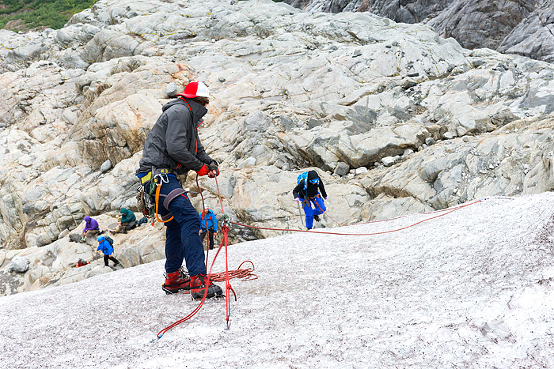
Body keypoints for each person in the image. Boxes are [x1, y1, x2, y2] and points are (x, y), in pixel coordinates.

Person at [136, 81, 223, 298]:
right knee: (190, 218)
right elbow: (175, 148)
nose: (206, 107)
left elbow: (197, 150)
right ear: (197, 101)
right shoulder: (180, 112)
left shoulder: (188, 119)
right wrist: (200, 167)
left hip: (160, 178)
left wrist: (210, 163)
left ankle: (174, 277)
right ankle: (198, 280)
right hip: (159, 177)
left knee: (176, 225)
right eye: (204, 103)